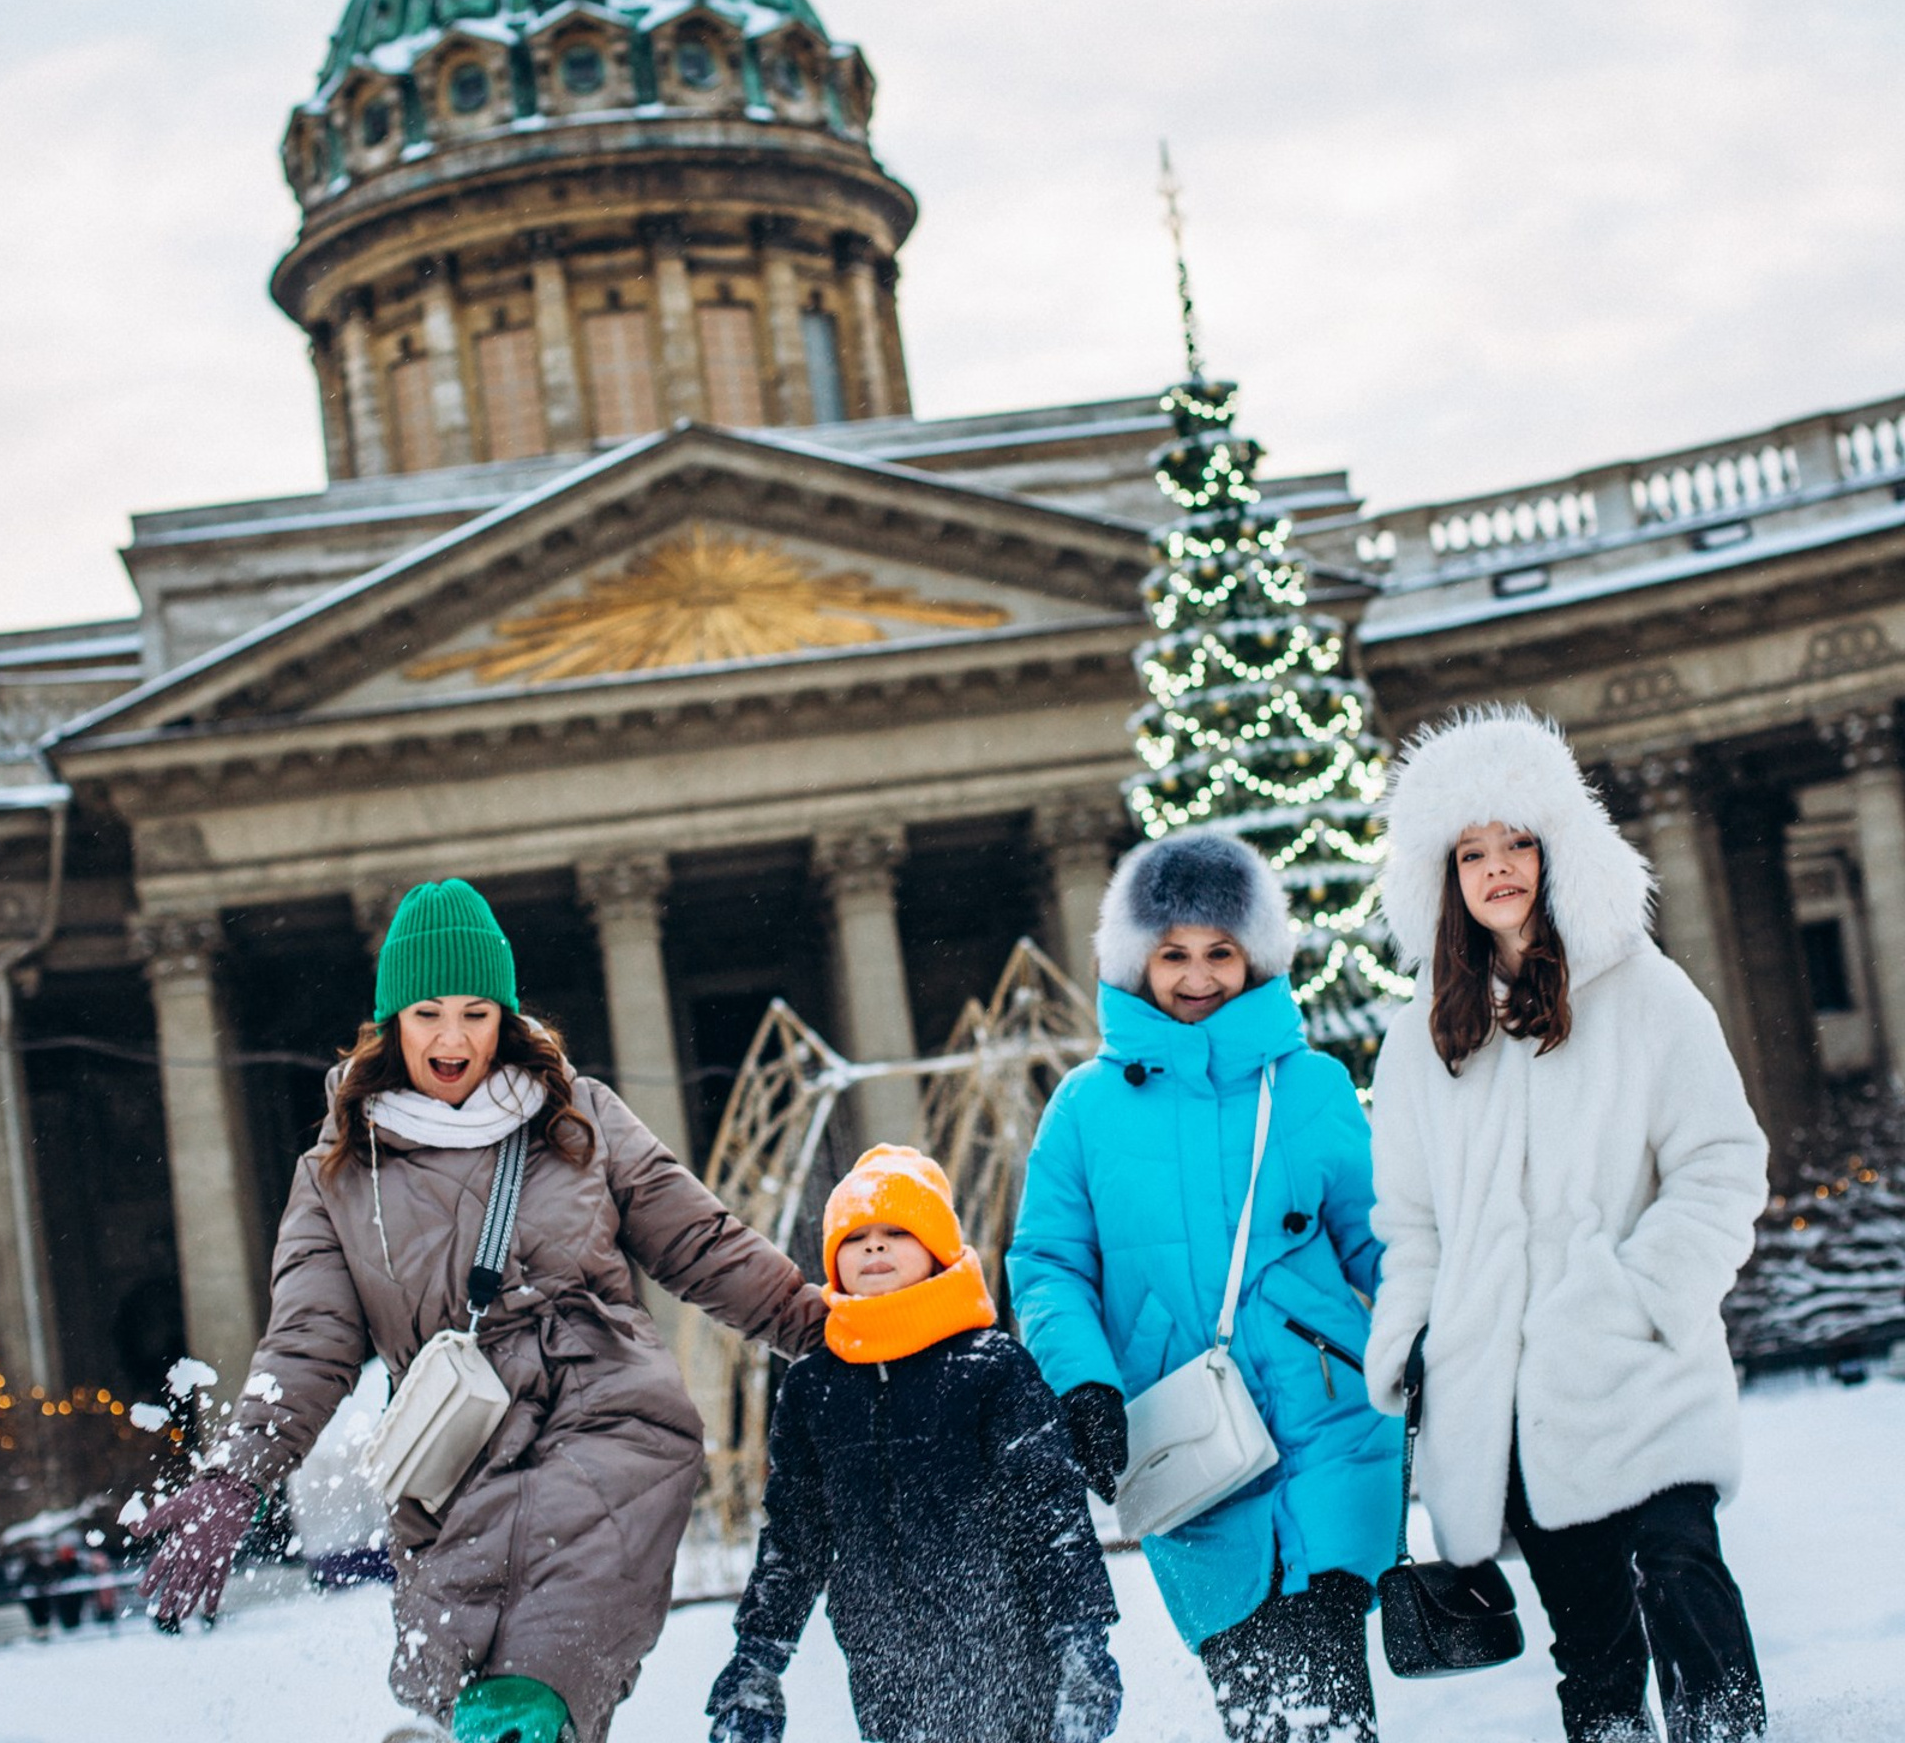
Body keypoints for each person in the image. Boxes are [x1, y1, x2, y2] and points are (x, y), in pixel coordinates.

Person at [136, 878, 828, 1743]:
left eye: (475, 1010)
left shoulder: (581, 1117)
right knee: (468, 1672)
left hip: (606, 1418)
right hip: (456, 1450)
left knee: (538, 1671)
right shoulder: (338, 1172)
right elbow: (307, 1343)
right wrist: (237, 1477)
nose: (453, 1037)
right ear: (393, 1023)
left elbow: (701, 1244)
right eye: (428, 1013)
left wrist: (826, 1329)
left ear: (505, 1015)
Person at [1365, 707, 1769, 1743]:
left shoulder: (1646, 994)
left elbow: (1721, 1165)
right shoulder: (1421, 1040)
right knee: (1592, 1656)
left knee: (1681, 1583)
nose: (1498, 868)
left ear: (1558, 848)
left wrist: (1639, 1297)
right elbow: (1410, 1220)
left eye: (1518, 842)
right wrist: (1409, 1334)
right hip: (1505, 1399)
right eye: (1471, 851)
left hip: (1636, 1364)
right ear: (1442, 876)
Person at [1010, 831, 1401, 1743]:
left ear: (1253, 955)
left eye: (1220, 952)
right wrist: (1086, 1383)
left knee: (1324, 1688)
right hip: (1184, 1444)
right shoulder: (1084, 1109)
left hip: (1328, 1424)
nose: (1198, 976)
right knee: (1254, 1688)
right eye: (1174, 953)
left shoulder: (1312, 1086)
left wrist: (1428, 1328)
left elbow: (1381, 1237)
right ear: (1135, 960)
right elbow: (1048, 1263)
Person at [705, 1144, 1121, 1743]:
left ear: (936, 1251)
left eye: (896, 1231)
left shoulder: (991, 1369)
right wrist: (758, 1659)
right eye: (855, 1236)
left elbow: (1049, 1513)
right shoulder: (814, 1388)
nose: (873, 1246)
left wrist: (1082, 1642)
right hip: (886, 1671)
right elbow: (794, 1536)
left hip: (1012, 1658)